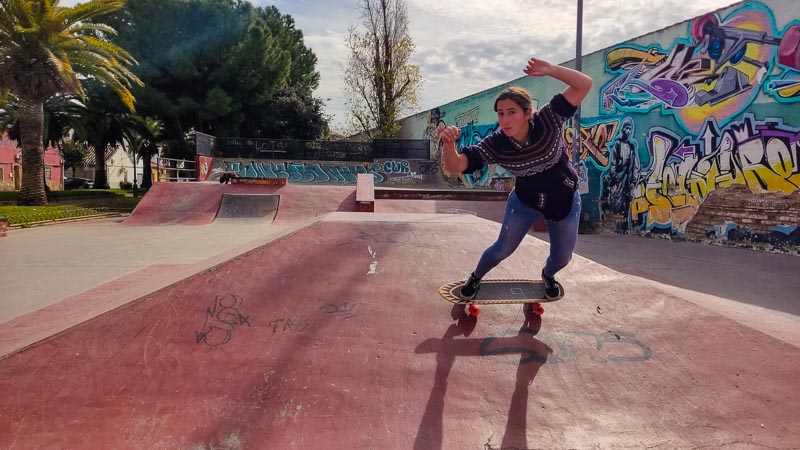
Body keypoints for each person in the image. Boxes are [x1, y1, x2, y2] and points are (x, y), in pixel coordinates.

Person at [439, 57, 592, 300]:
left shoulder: (548, 119)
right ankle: (476, 277)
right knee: (502, 249)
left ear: (527, 113)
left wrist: (552, 70)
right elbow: (457, 164)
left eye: (511, 112)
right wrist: (448, 144)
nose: (505, 119)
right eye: (501, 114)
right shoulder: (497, 144)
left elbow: (584, 84)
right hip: (525, 202)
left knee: (562, 258)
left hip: (564, 200)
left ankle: (548, 275)